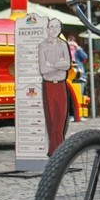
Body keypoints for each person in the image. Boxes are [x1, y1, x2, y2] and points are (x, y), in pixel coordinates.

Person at [39, 18, 71, 155]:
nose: (54, 30)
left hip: (61, 85)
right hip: (49, 85)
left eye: (57, 27)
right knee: (51, 119)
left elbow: (67, 65)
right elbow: (43, 69)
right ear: (47, 29)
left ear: (60, 29)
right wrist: (59, 64)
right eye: (51, 27)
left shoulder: (63, 45)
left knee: (61, 117)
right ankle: (57, 150)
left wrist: (51, 64)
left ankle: (57, 149)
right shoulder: (42, 46)